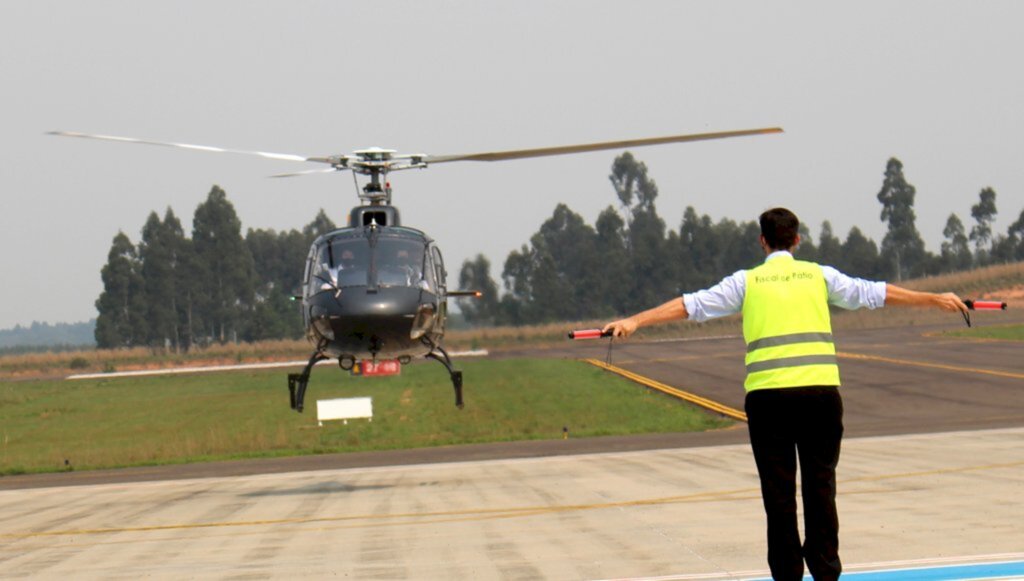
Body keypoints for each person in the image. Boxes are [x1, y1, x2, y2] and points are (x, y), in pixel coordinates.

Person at [602, 208, 967, 581]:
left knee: (778, 494)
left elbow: (690, 305)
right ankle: (826, 571)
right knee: (820, 488)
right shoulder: (819, 276)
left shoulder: (747, 282)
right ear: (797, 240)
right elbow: (875, 293)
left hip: (769, 402)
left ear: (763, 241)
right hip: (820, 397)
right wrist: (934, 298)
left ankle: (788, 575)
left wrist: (635, 320)